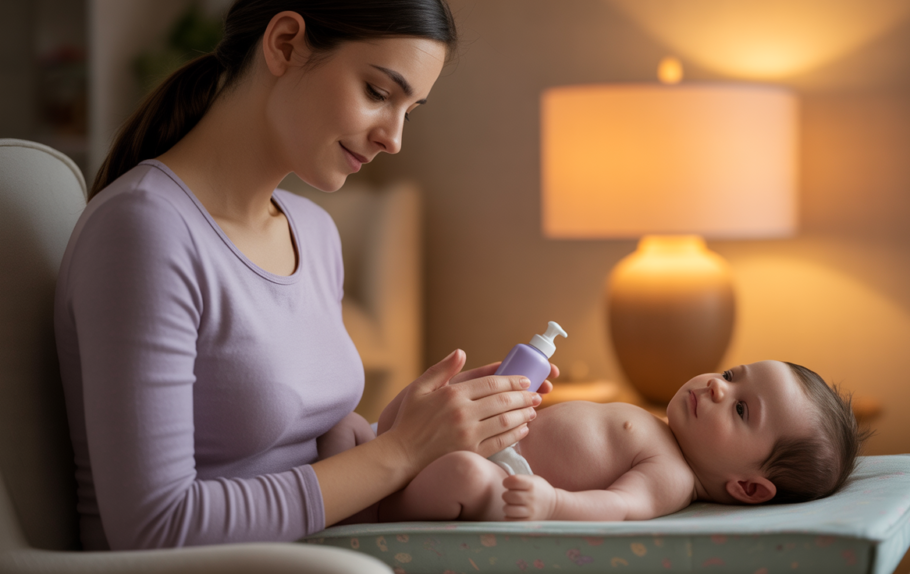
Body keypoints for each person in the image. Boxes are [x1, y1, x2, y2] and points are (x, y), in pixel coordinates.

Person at [54, 0, 554, 551]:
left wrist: (413, 428)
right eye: (378, 93)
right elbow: (155, 527)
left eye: (409, 111)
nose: (394, 138)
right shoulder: (146, 230)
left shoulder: (313, 233)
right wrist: (401, 452)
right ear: (286, 43)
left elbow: (303, 461)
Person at [334, 361, 864, 522]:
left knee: (469, 479)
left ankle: (368, 511)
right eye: (731, 375)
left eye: (742, 408)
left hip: (493, 474)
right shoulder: (662, 426)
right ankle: (361, 466)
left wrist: (552, 501)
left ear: (748, 488)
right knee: (339, 422)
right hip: (457, 442)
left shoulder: (674, 477)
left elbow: (621, 507)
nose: (715, 387)